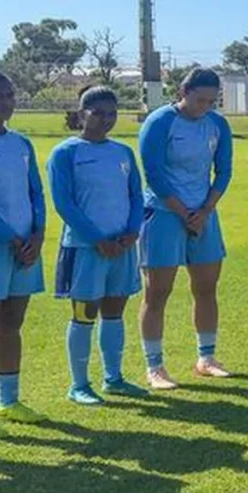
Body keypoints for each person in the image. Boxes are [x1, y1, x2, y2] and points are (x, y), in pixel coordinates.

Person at [50, 86, 150, 405]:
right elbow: (64, 203)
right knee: (84, 313)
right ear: (82, 115)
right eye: (98, 113)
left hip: (122, 246)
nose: (106, 119)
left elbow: (136, 194)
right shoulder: (66, 153)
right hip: (85, 248)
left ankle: (114, 378)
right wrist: (97, 238)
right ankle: (79, 385)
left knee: (114, 312)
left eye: (112, 113)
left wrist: (134, 230)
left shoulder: (123, 152)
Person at [138, 68, 233, 389]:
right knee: (157, 292)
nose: (204, 106)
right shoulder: (160, 121)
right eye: (199, 99)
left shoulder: (218, 124)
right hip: (165, 213)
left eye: (211, 101)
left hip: (204, 215)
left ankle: (206, 358)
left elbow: (223, 171)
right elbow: (153, 172)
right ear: (183, 92)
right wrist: (183, 211)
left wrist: (205, 211)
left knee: (206, 288)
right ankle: (155, 367)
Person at [0, 71, 46, 438]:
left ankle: (9, 401)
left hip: (25, 247)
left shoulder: (21, 143)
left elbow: (36, 193)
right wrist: (11, 238)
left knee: (11, 322)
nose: (7, 102)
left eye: (11, 95)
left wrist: (38, 233)